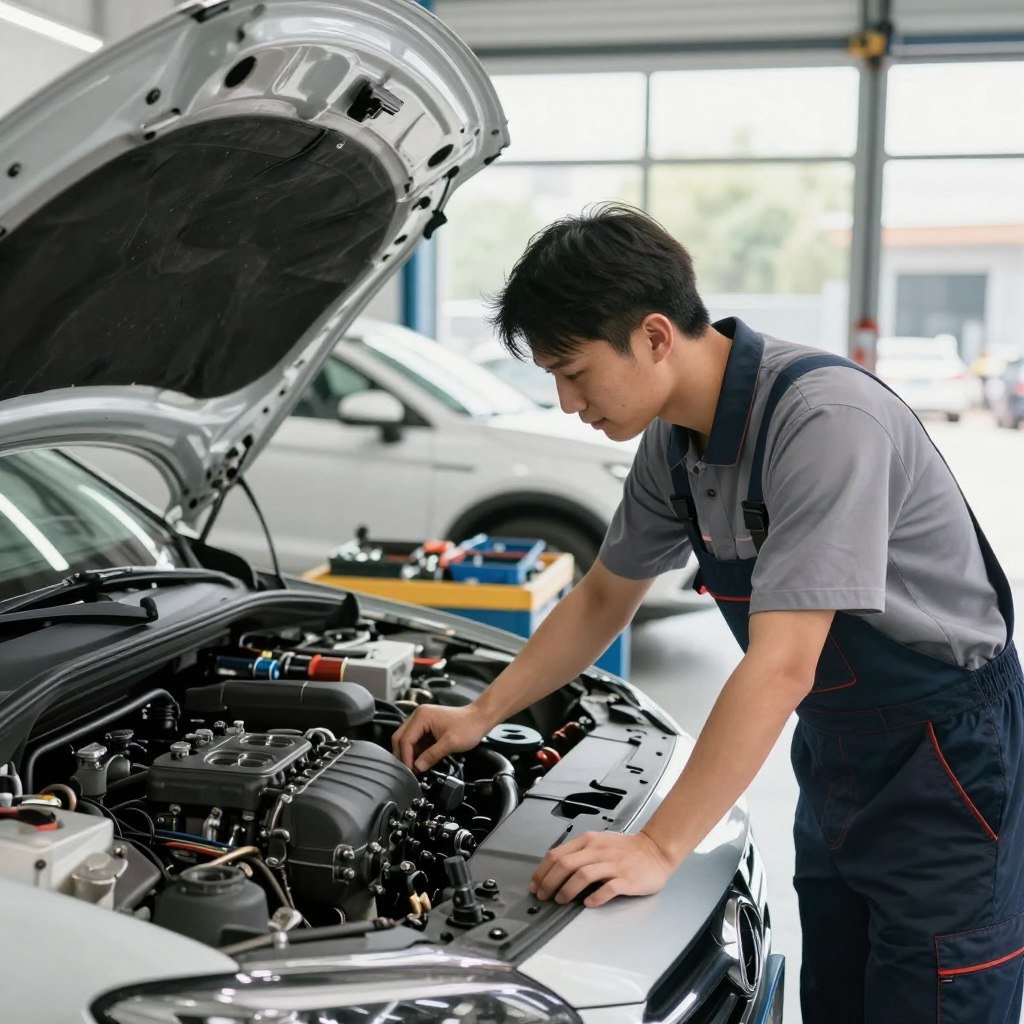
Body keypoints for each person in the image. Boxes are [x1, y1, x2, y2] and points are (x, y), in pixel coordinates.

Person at [391, 203, 1024, 1023]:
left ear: (656, 336)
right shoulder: (674, 444)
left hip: (944, 754)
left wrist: (659, 846)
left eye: (575, 372)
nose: (564, 402)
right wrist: (481, 714)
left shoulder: (823, 422)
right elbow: (602, 598)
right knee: (840, 992)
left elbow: (783, 662)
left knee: (936, 994)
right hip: (839, 750)